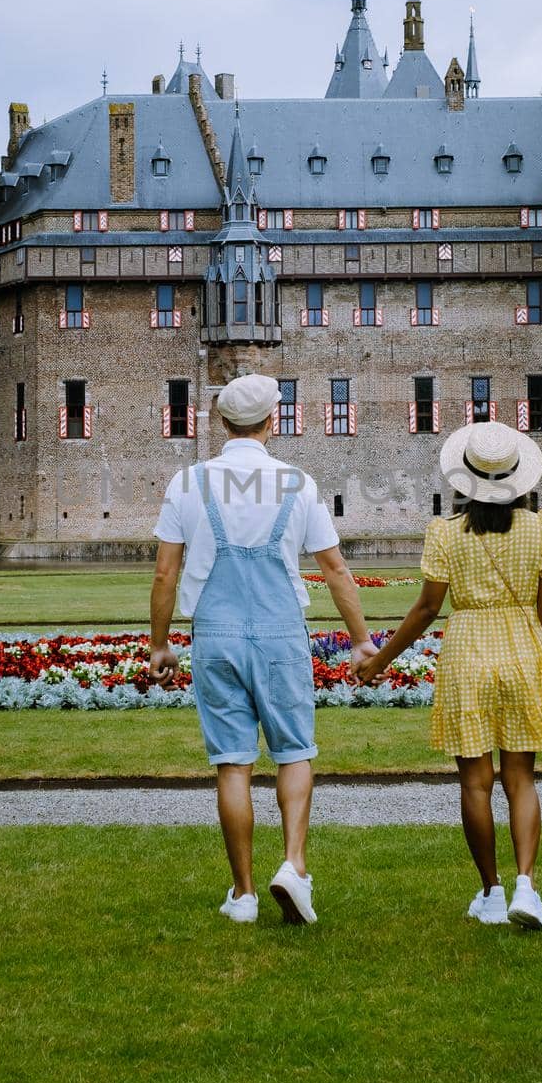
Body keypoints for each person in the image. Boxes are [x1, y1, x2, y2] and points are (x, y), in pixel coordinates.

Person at [148, 372, 377, 926]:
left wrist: (159, 645)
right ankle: (294, 866)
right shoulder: (298, 483)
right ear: (273, 422)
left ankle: (244, 893)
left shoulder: (188, 483)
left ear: (222, 423)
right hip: (279, 632)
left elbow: (164, 574)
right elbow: (335, 569)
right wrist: (362, 639)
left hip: (216, 633)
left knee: (232, 763)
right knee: (295, 751)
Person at [353, 420, 542, 929]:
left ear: (464, 478)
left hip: (468, 650)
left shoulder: (444, 532)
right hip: (522, 649)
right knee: (521, 778)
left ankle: (491, 891)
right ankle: (527, 887)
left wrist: (380, 661)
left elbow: (427, 610)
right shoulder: (540, 527)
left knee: (475, 782)